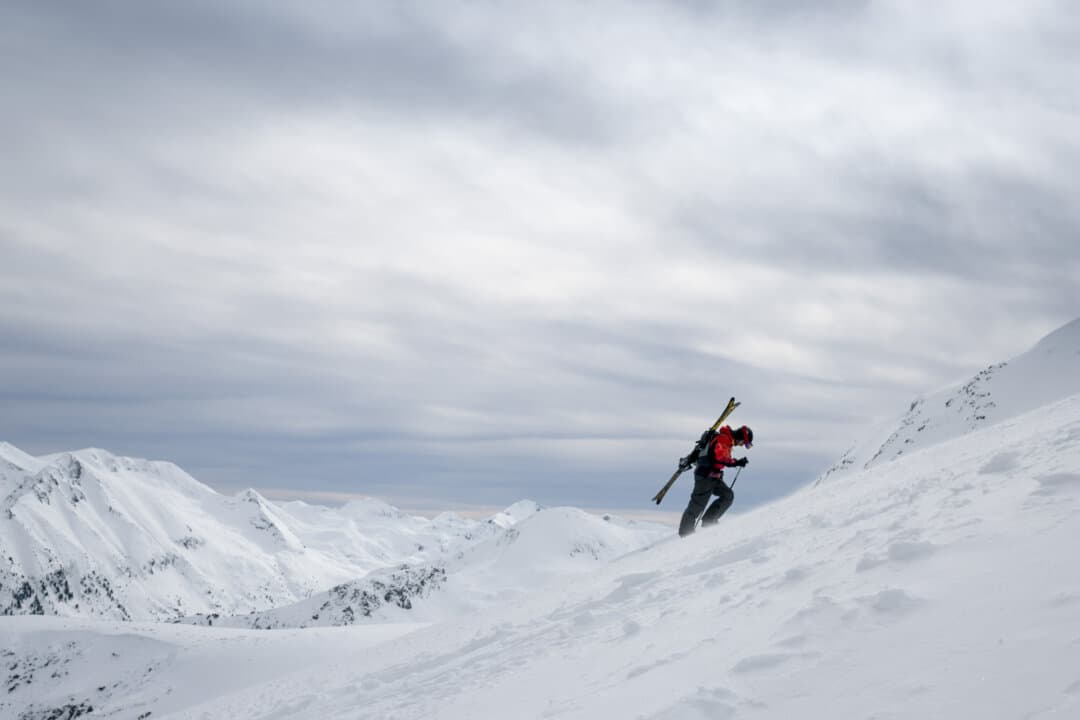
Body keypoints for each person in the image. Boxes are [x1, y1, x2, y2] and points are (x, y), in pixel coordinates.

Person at [678, 425, 753, 537]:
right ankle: (685, 534)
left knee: (728, 496)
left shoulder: (727, 441)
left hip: (714, 477)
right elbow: (719, 457)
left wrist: (736, 462)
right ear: (740, 438)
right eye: (744, 443)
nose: (742, 445)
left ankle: (709, 521)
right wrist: (736, 462)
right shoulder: (723, 439)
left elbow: (720, 460)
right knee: (697, 505)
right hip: (705, 477)